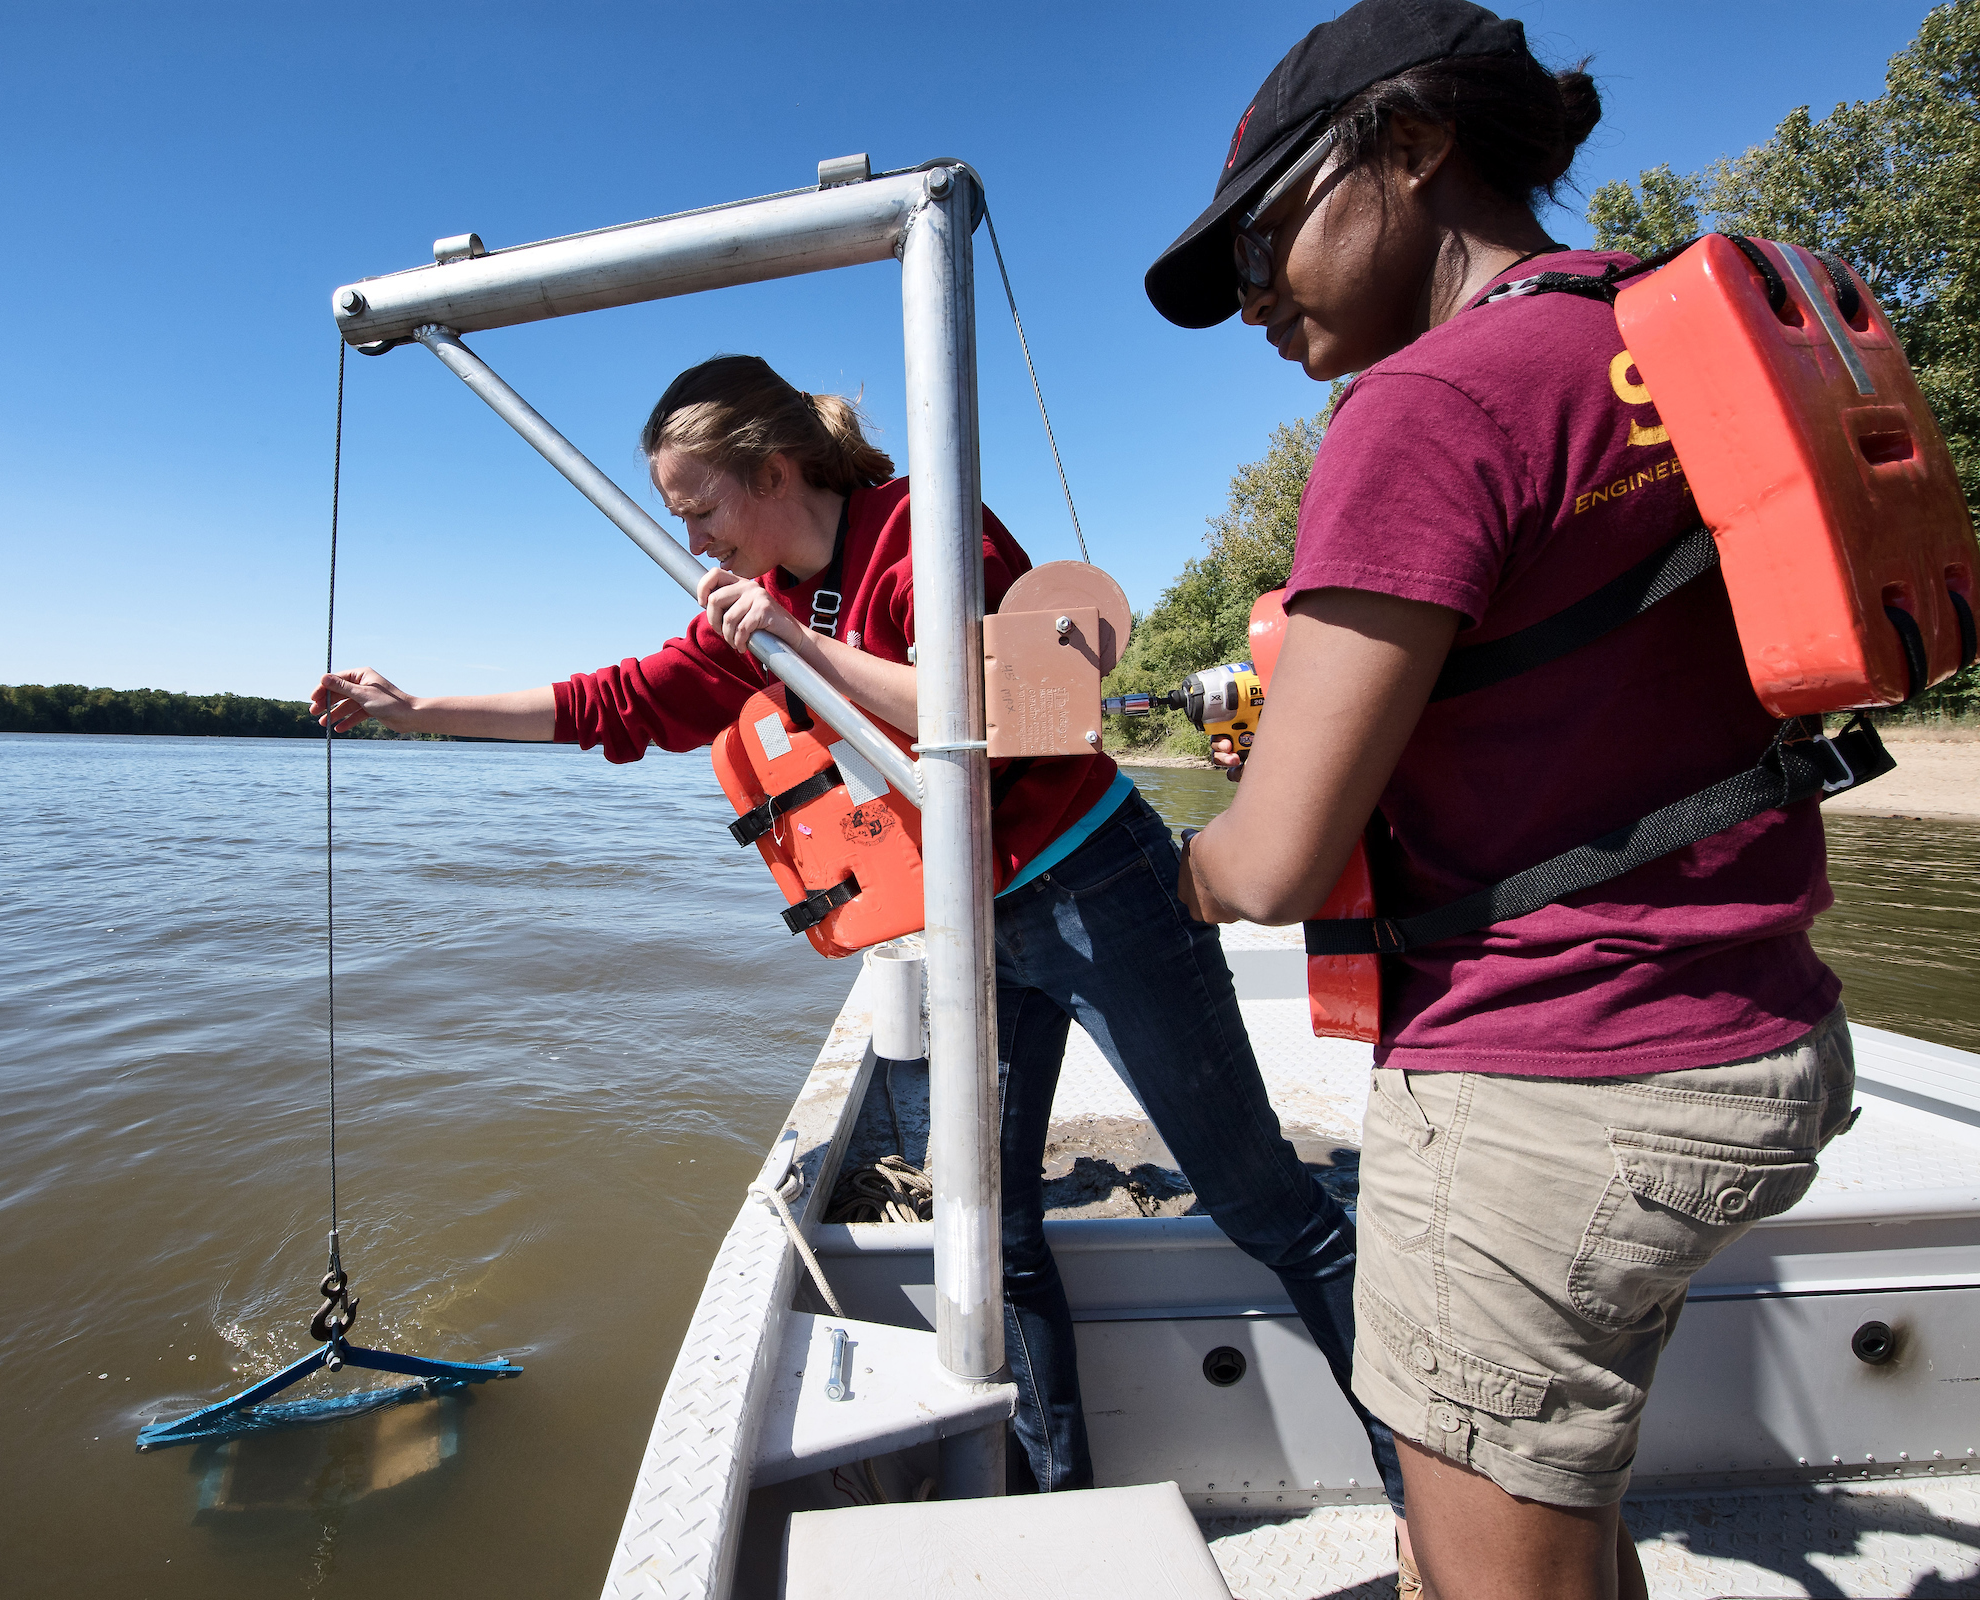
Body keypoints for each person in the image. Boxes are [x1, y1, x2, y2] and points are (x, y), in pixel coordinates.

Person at [312, 354, 1403, 1508]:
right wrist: (416, 710)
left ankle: (1416, 1493)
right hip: (975, 924)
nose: (691, 541)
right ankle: (1052, 1497)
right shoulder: (759, 603)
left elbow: (1002, 705)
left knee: (1262, 1204)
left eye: (699, 509)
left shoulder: (925, 531)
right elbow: (614, 702)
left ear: (773, 470)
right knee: (989, 1230)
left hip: (1100, 889)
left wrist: (799, 646)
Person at [1142, 2, 1857, 1596]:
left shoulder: (1429, 404)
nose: (1254, 302)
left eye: (1262, 243)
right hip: (1753, 1033)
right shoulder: (1643, 342)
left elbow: (1268, 871)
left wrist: (1177, 869)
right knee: (1568, 1507)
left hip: (1554, 1084)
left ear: (1408, 146)